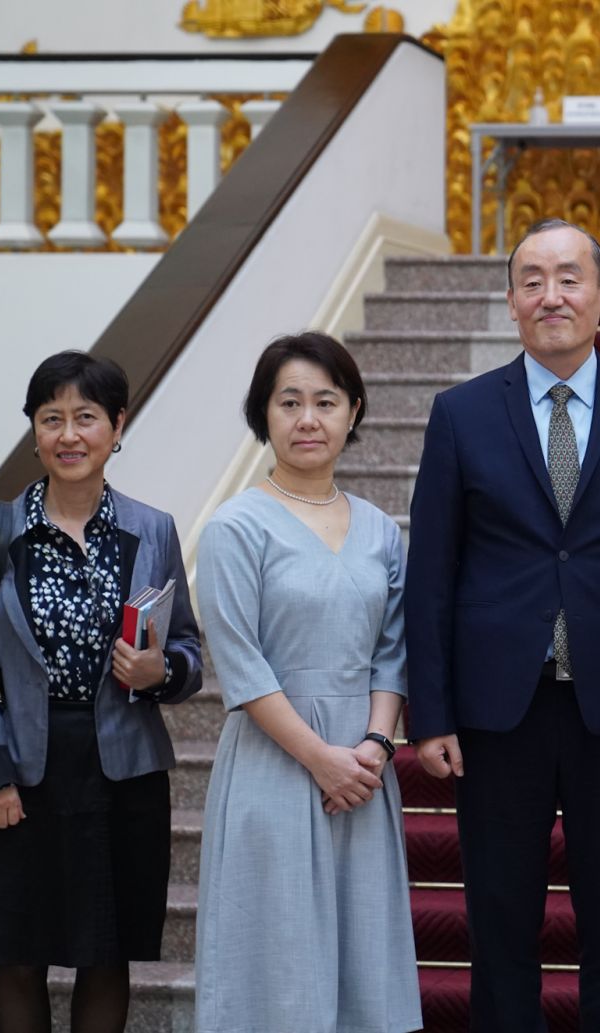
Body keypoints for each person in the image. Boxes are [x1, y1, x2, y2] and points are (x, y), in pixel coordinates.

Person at [406, 218, 600, 1032]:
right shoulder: (461, 413)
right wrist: (432, 712)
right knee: (499, 921)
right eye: (531, 280)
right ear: (510, 302)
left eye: (570, 278)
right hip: (499, 710)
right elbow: (431, 572)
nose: (550, 295)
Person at [193, 331, 421, 1033]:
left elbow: (393, 651)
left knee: (363, 965)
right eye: (288, 402)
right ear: (263, 414)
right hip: (275, 762)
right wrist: (321, 758)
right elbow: (241, 664)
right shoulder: (235, 526)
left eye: (326, 401)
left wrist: (375, 745)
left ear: (354, 411)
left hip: (363, 772)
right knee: (277, 962)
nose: (308, 419)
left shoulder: (380, 530)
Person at [0, 351, 203, 1033]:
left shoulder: (152, 528)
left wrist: (160, 673)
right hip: (20, 770)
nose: (69, 434)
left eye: (86, 417)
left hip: (123, 771)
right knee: (18, 955)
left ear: (117, 425)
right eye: (52, 419)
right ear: (35, 430)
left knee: (109, 953)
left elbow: (187, 650)